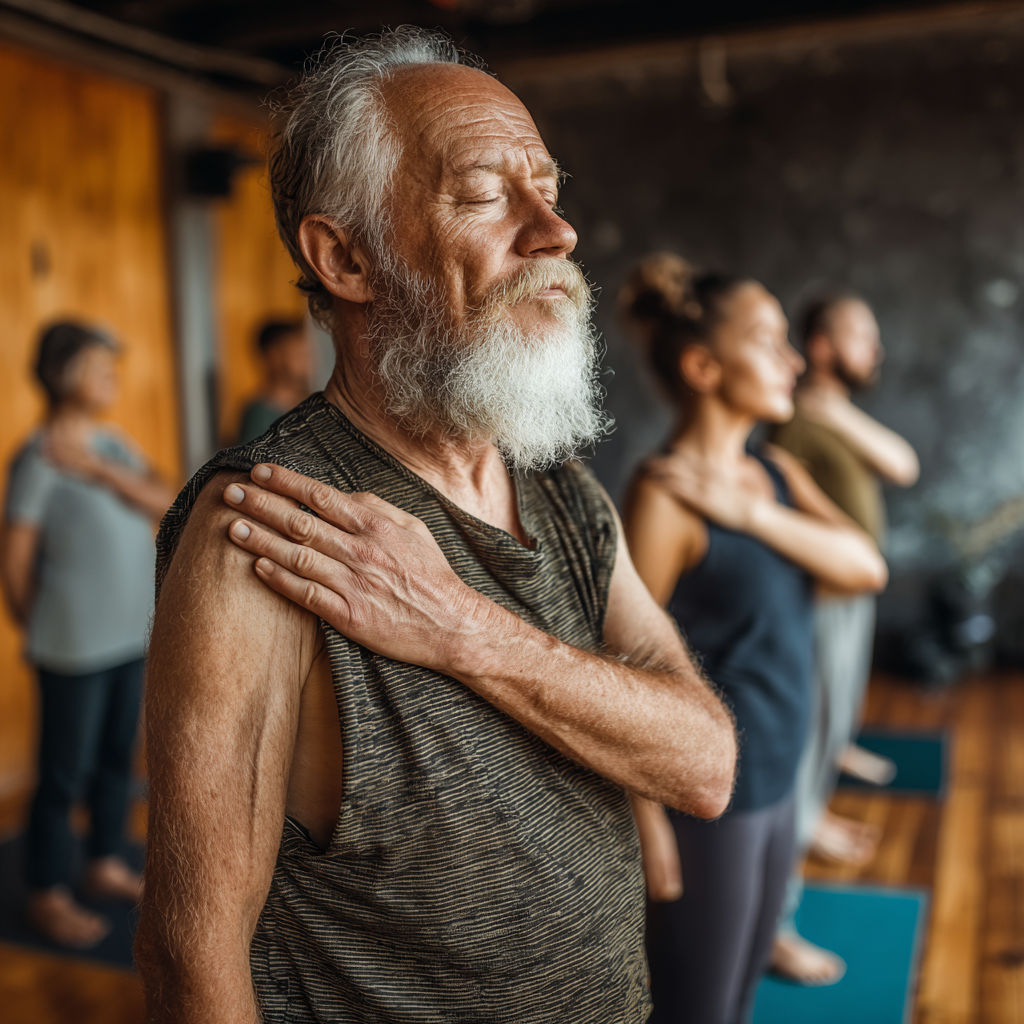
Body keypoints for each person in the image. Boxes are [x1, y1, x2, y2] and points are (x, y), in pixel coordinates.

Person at [134, 29, 737, 1024]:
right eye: (486, 193)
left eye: (548, 187)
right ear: (344, 257)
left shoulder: (566, 495)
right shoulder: (267, 524)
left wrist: (462, 626)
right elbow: (189, 956)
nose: (554, 232)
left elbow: (703, 762)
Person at [620, 257, 887, 1024]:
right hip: (710, 800)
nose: (794, 360)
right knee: (696, 1010)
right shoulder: (665, 493)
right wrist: (644, 825)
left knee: (738, 1000)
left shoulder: (774, 473)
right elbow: (627, 667)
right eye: (770, 341)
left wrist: (750, 516)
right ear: (704, 366)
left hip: (779, 774)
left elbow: (866, 566)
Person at [1, 321, 174, 949]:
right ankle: (46, 892)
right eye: (98, 364)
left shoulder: (113, 445)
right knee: (63, 774)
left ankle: (103, 862)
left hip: (129, 636)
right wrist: (42, 624)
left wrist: (100, 470)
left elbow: (164, 498)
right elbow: (15, 559)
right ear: (60, 374)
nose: (111, 375)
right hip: (72, 647)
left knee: (114, 760)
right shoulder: (39, 455)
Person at [769, 292, 919, 983]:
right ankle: (779, 907)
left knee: (832, 728)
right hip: (817, 602)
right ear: (822, 347)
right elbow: (900, 465)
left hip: (848, 597)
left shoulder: (829, 416)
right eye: (862, 336)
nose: (876, 351)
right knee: (804, 743)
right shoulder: (797, 420)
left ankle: (813, 819)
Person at [235, 318, 313, 444]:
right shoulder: (260, 414)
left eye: (307, 354)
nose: (308, 362)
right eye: (298, 354)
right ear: (274, 356)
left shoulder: (310, 404)